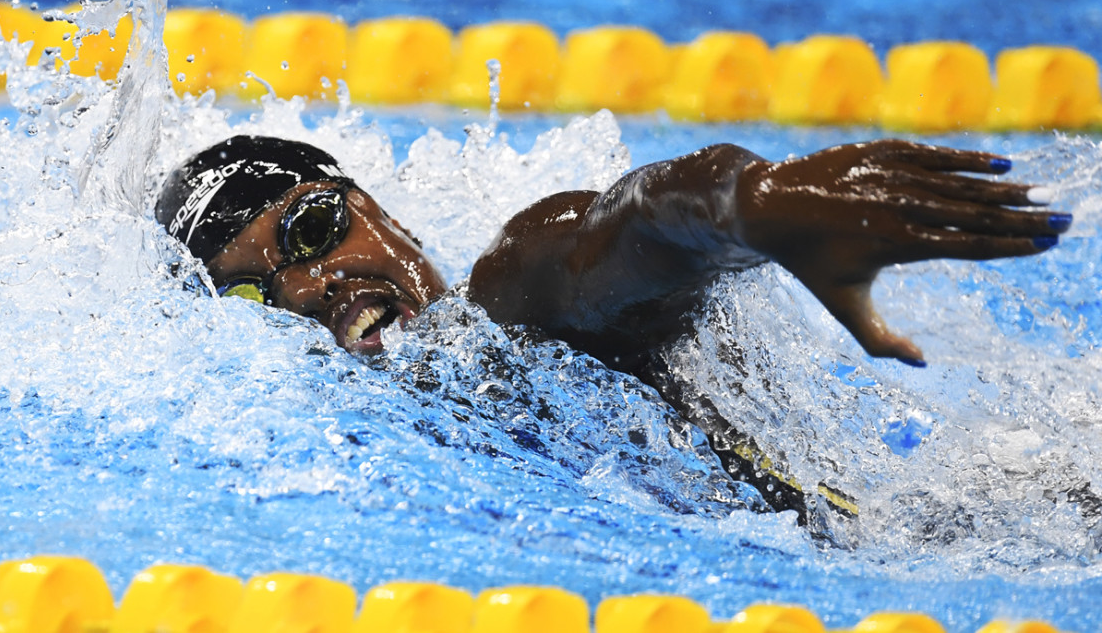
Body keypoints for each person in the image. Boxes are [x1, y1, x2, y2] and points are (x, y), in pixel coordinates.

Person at [155, 134, 1072, 521]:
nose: (312, 284)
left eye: (313, 230)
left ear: (378, 209)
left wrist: (762, 205)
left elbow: (629, 227)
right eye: (254, 298)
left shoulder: (509, 301)